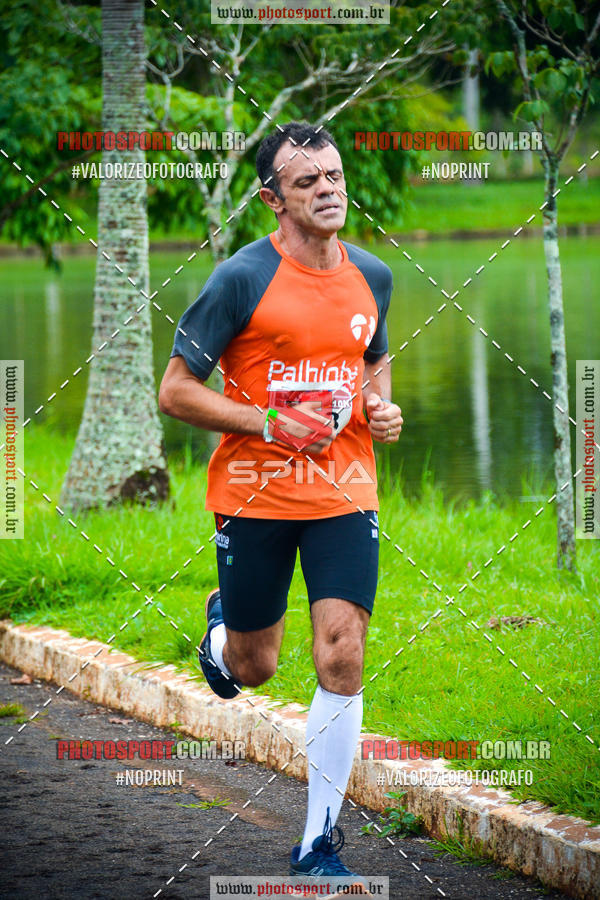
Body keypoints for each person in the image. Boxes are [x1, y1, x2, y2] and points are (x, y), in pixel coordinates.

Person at [158, 121, 403, 883]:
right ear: (273, 200)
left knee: (343, 652)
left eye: (333, 176)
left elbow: (371, 357)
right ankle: (222, 628)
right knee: (253, 668)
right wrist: (269, 421)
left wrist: (381, 409)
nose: (328, 190)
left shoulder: (373, 274)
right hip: (254, 494)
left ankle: (317, 845)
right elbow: (175, 392)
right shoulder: (239, 279)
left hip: (343, 491)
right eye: (308, 183)